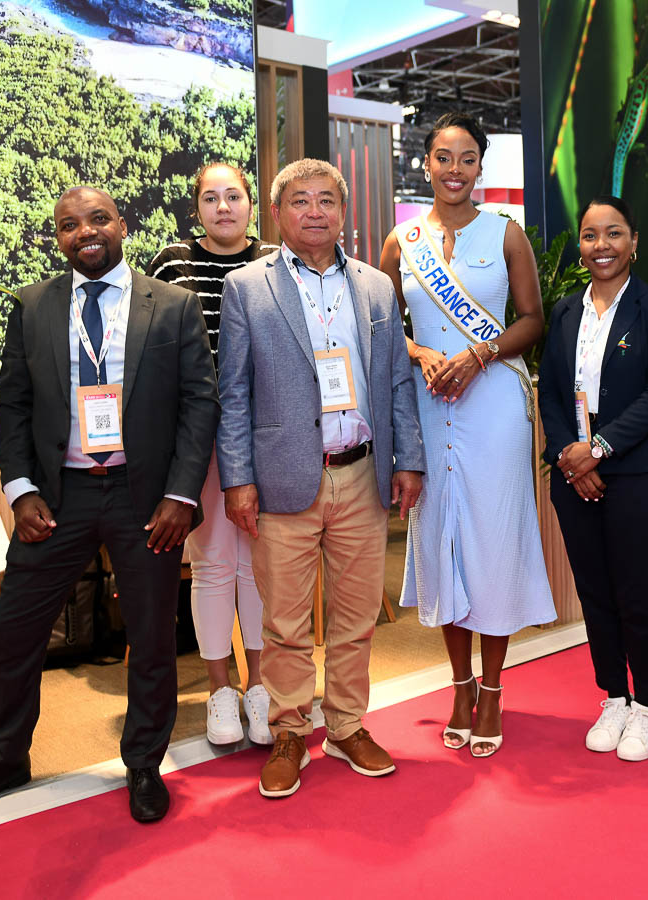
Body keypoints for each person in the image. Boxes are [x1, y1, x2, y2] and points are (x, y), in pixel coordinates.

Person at [0, 187, 218, 823]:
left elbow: (200, 403)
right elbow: (14, 404)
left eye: (97, 219)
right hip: (58, 496)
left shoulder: (172, 305)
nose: (85, 232)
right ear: (58, 237)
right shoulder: (32, 305)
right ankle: (5, 757)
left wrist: (180, 495)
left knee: (151, 634)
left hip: (146, 498)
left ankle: (143, 762)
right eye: (69, 225)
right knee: (13, 629)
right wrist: (20, 488)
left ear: (122, 225)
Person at [217, 158, 425, 799]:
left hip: (361, 472)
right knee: (284, 622)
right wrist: (237, 478)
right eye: (301, 201)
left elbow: (397, 382)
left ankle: (346, 726)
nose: (315, 211)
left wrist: (409, 459)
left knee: (356, 616)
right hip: (282, 477)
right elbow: (234, 394)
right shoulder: (247, 287)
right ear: (277, 213)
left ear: (343, 211)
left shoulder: (375, 287)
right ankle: (288, 731)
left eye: (326, 200)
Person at [379, 112, 555, 759]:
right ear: (426, 163)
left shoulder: (505, 234)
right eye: (443, 157)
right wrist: (420, 351)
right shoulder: (401, 241)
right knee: (441, 541)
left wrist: (480, 354)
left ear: (480, 166)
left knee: (491, 542)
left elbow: (531, 320)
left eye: (467, 159)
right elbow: (381, 326)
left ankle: (494, 690)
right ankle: (459, 688)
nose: (455, 170)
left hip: (494, 406)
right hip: (429, 405)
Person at [538, 195, 648, 762]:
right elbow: (552, 393)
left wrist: (598, 450)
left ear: (634, 241)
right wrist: (569, 458)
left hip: (638, 470)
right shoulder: (565, 311)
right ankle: (614, 697)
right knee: (594, 590)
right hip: (574, 472)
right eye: (591, 235)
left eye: (614, 233)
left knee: (636, 591)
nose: (602, 245)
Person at [147, 162, 278, 747]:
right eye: (210, 198)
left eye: (233, 196)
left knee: (260, 566)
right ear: (196, 207)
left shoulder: (275, 259)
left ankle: (261, 687)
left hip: (267, 437)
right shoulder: (173, 263)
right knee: (213, 565)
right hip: (198, 439)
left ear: (251, 203)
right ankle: (220, 690)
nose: (223, 207)